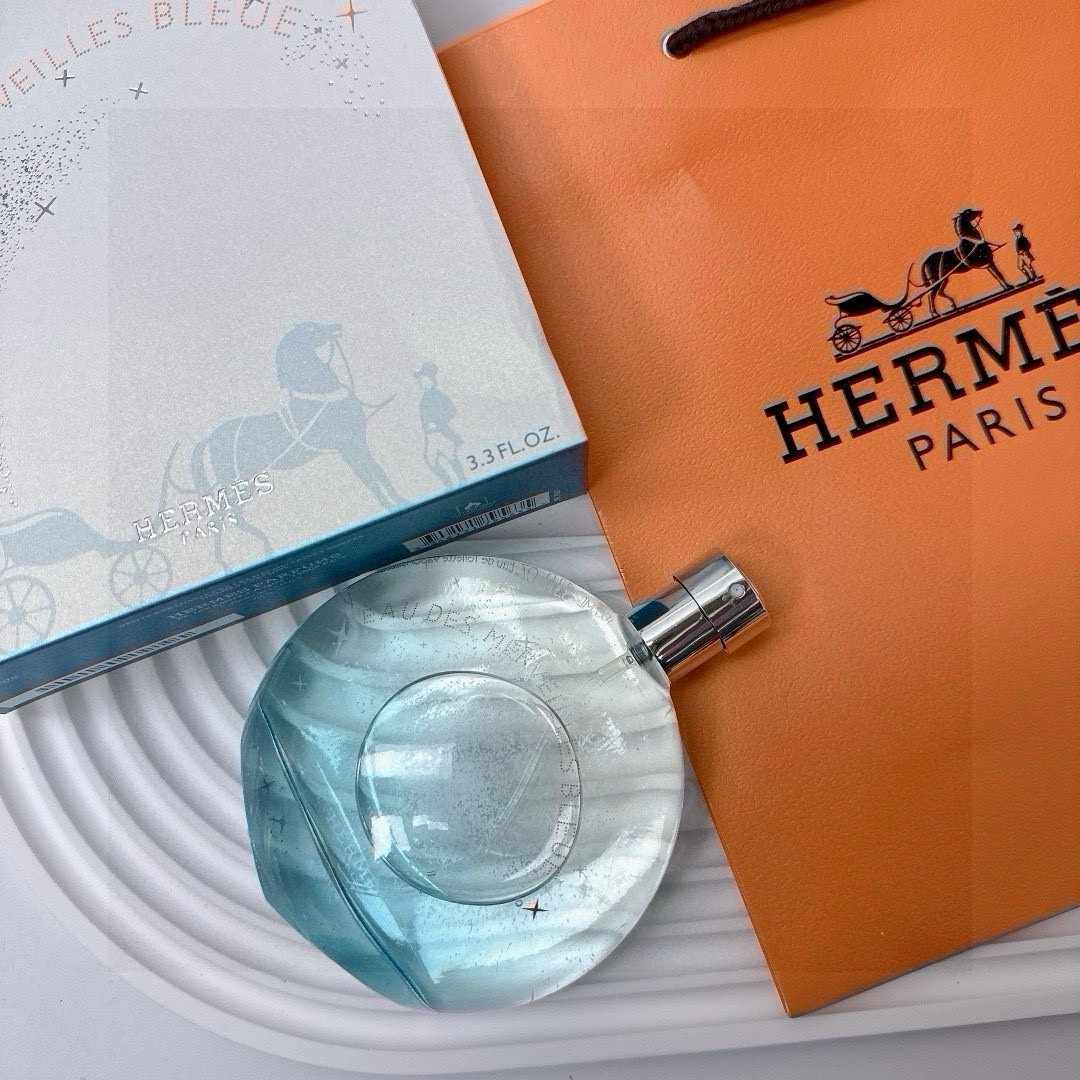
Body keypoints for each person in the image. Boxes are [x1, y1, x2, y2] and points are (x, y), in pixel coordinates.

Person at [416, 363, 465, 485]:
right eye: (420, 380)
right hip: (431, 436)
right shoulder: (426, 397)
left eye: (423, 379)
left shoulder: (437, 394)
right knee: (432, 460)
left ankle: (461, 481)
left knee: (450, 457)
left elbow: (451, 410)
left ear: (430, 379)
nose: (421, 382)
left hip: (440, 433)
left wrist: (437, 423)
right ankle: (449, 484)